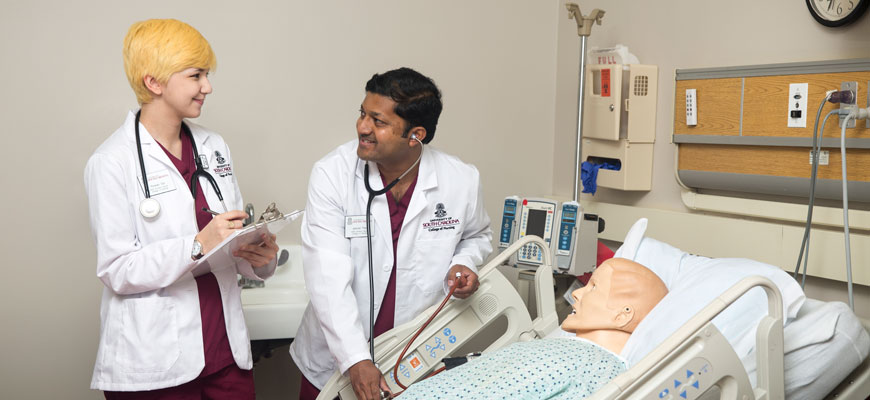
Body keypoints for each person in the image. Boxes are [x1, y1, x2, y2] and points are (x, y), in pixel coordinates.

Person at [84, 19, 279, 399]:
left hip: (225, 354)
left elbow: (227, 245)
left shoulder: (213, 146)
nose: (208, 86)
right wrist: (196, 244)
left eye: (206, 74)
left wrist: (257, 257)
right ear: (153, 82)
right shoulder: (111, 162)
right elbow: (116, 268)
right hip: (155, 363)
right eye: (196, 75)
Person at [290, 67, 493, 400]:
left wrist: (464, 263)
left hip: (413, 356)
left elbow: (477, 236)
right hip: (335, 360)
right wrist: (355, 358)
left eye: (379, 122)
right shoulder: (333, 174)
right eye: (362, 114)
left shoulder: (461, 180)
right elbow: (326, 276)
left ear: (416, 135)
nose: (363, 128)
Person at [398, 257, 669, 399]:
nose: (577, 294)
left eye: (594, 287)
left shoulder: (598, 371)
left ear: (623, 316)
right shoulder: (563, 350)